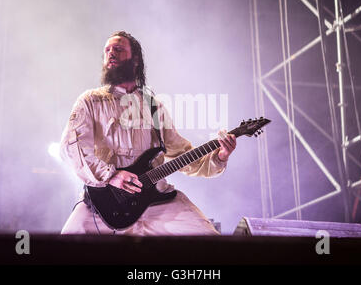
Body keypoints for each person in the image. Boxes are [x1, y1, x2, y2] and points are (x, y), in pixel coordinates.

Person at [59, 31, 236, 235]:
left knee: (210, 241)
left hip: (157, 200)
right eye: (107, 50)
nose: (110, 54)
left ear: (135, 59)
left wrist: (220, 156)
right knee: (65, 250)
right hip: (104, 202)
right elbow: (71, 148)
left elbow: (181, 154)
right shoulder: (90, 101)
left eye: (118, 49)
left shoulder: (153, 107)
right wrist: (111, 176)